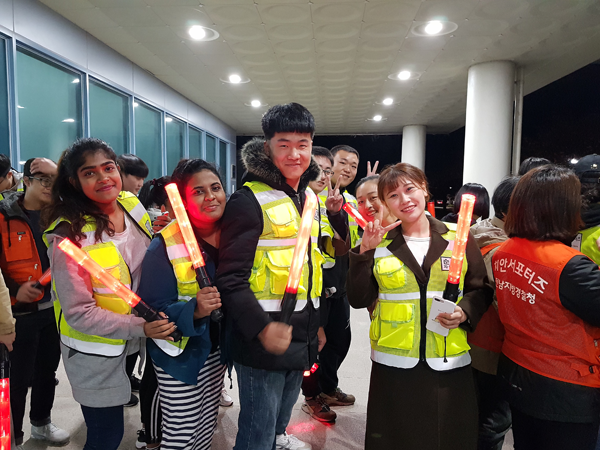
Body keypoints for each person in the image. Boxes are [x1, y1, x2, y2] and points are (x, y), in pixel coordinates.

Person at [217, 103, 345, 450]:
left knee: (279, 422)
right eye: (284, 144)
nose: (294, 154)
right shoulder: (247, 201)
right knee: (257, 433)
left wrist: (316, 324)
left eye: (302, 144)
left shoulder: (309, 199)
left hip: (302, 331)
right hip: (262, 337)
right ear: (267, 147)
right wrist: (262, 328)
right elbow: (230, 278)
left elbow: (313, 266)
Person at [41, 138, 176, 450]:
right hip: (95, 350)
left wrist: (164, 232)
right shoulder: (69, 236)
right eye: (89, 173)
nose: (103, 178)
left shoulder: (131, 204)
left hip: (137, 338)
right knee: (107, 435)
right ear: (73, 182)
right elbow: (79, 313)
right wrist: (142, 326)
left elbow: (141, 258)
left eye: (108, 168)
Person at [347, 162, 492, 450]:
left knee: (447, 437)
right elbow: (358, 298)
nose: (404, 200)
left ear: (424, 189)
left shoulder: (458, 236)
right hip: (394, 361)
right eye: (393, 195)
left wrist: (464, 311)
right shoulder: (379, 242)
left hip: (447, 359)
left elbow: (480, 288)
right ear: (385, 202)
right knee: (394, 438)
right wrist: (364, 251)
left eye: (410, 189)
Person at [494, 165, 600, 450]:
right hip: (566, 388)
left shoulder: (505, 250)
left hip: (518, 373)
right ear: (562, 209)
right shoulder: (568, 266)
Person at [138, 158, 229, 450]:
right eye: (198, 191)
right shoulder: (164, 245)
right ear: (183, 200)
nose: (210, 196)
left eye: (215, 187)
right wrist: (196, 309)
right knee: (182, 433)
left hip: (218, 349)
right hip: (180, 355)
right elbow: (153, 310)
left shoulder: (235, 235)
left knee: (207, 425)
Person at [0, 157, 70, 448]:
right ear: (25, 181)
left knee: (47, 372)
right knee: (16, 380)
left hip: (54, 310)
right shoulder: (5, 216)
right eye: (44, 179)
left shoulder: (63, 217)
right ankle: (13, 437)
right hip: (19, 315)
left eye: (55, 180)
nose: (50, 186)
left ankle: (41, 423)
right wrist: (16, 290)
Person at [307, 144, 360, 410]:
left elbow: (351, 243)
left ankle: (328, 388)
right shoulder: (309, 199)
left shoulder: (350, 201)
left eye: (354, 165)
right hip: (317, 285)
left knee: (340, 341)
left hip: (340, 282)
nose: (348, 169)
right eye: (343, 163)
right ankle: (312, 396)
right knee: (316, 344)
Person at [468, 176, 519, 450]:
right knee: (492, 422)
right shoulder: (501, 249)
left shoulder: (479, 232)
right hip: (494, 349)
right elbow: (509, 307)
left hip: (474, 342)